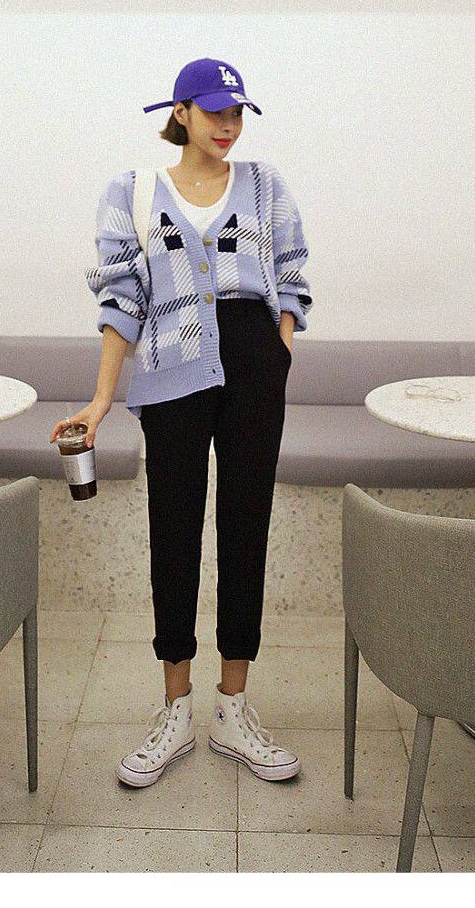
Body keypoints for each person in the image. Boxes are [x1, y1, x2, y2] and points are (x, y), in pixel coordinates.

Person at [58, 56, 311, 787]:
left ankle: (233, 707)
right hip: (172, 370)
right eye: (214, 112)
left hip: (254, 367)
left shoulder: (265, 186)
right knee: (172, 529)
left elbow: (291, 277)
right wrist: (102, 399)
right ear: (181, 112)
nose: (228, 126)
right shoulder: (133, 192)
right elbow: (121, 302)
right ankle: (175, 709)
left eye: (237, 113)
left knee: (246, 526)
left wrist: (277, 352)